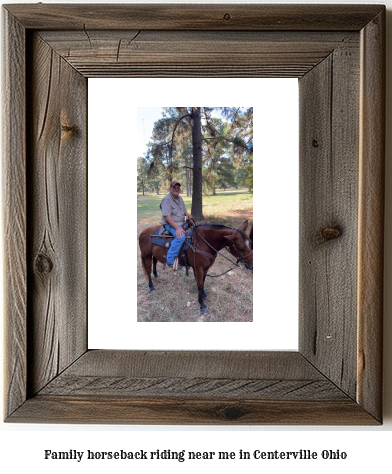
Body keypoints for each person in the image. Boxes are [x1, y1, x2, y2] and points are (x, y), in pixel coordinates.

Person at [160, 180, 193, 268]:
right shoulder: (166, 199)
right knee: (181, 236)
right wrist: (178, 228)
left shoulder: (179, 198)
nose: (176, 189)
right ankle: (170, 260)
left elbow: (184, 209)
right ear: (170, 189)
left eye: (178, 188)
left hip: (181, 222)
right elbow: (167, 216)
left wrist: (187, 214)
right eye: (174, 188)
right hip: (169, 224)